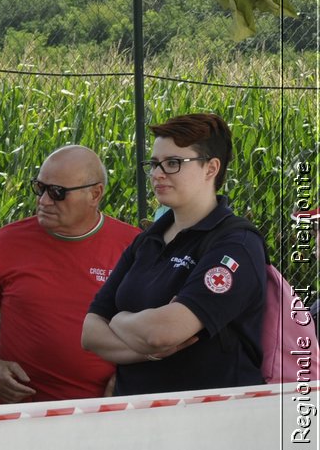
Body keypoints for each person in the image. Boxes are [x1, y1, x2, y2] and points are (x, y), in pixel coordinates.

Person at [83, 113, 267, 394]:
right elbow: (91, 333)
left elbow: (164, 332)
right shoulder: (147, 240)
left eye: (173, 163)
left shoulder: (235, 244)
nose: (158, 174)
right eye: (155, 164)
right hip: (136, 415)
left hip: (212, 418)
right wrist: (149, 352)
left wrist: (120, 320)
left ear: (211, 168)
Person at [0, 145, 140, 403]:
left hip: (105, 410)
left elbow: (158, 333)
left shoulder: (133, 246)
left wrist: (128, 380)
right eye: (40, 188)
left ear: (95, 194)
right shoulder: (8, 243)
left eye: (58, 193)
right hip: (20, 411)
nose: (44, 200)